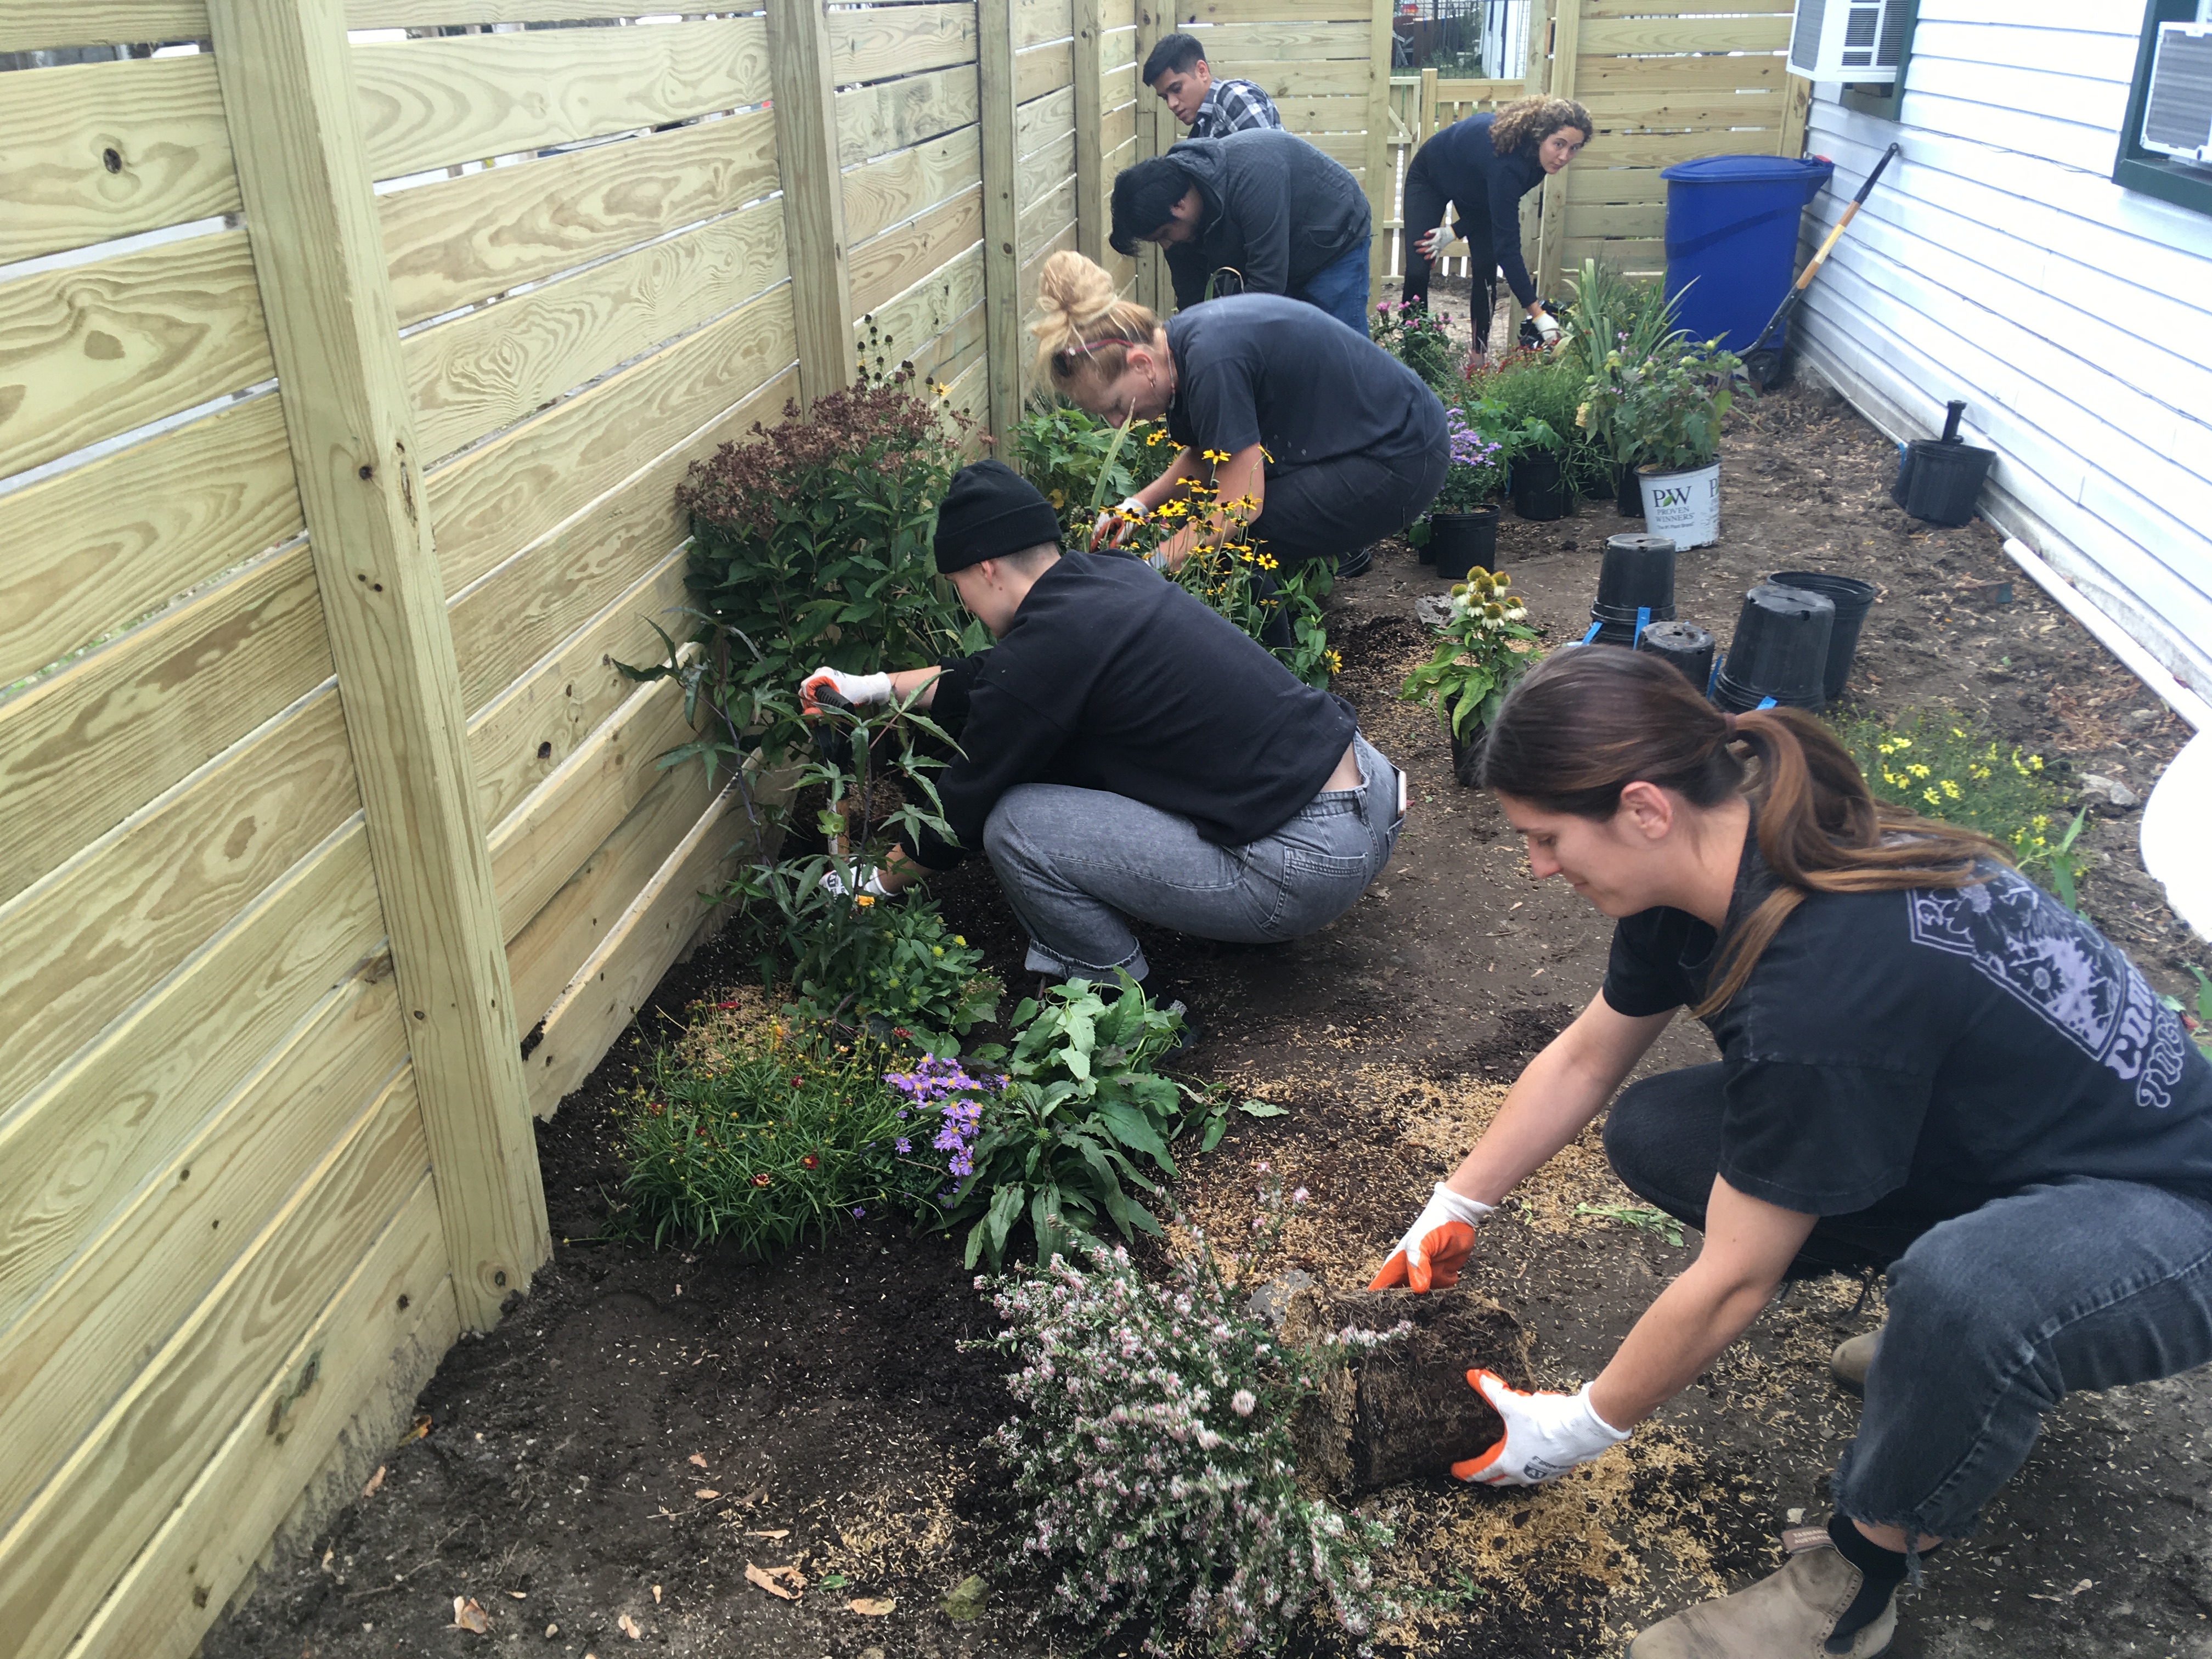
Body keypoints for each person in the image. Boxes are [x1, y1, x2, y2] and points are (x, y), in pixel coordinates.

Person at [1370, 646, 2212, 1658]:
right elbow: (1590, 1054)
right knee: (1665, 1133)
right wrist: (1457, 1202)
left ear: (1643, 808)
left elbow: (1734, 1280)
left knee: (1971, 1290)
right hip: (2026, 1146)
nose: (1538, 865)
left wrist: (1579, 1426)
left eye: (1546, 837)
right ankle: (1945, 1363)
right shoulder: (1723, 852)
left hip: (2174, 1211)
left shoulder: (1824, 981)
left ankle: (1852, 1584)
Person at [797, 459, 1404, 1011]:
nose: (965, 602)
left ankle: (1126, 1008)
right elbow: (988, 679)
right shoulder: (1109, 576)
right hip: (1374, 796)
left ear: (985, 568)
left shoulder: (1042, 656)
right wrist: (869, 686)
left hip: (1307, 866)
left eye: (959, 586)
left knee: (1013, 824)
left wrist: (869, 883)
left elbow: (958, 815)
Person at [1032, 249, 1443, 582]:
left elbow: (1240, 505)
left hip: (1402, 456)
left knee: (1234, 539)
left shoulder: (1212, 361)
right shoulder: (1181, 347)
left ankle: (1265, 680)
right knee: (1206, 533)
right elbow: (1215, 454)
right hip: (1378, 442)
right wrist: (1137, 508)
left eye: (1116, 407)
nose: (1118, 424)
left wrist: (1147, 569)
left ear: (1141, 364)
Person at [1109, 128, 1372, 332]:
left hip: (1333, 238)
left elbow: (1267, 284)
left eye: (1164, 235)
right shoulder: (1171, 212)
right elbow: (1193, 299)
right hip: (1281, 251)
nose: (1166, 246)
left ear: (1180, 205)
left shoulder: (1253, 176)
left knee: (1339, 349)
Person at [1400, 94, 1591, 363]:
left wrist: (1453, 231)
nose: (1563, 156)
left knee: (1486, 267)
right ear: (1540, 137)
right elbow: (1509, 248)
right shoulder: (1509, 165)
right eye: (1558, 144)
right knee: (1419, 266)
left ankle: (1478, 358)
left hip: (1476, 189)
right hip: (1432, 176)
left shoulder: (1538, 165)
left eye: (1574, 148)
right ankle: (1414, 354)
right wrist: (1538, 313)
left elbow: (1495, 210)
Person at [1143, 31, 1282, 139]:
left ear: (1202, 71)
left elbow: (1271, 163)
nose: (1171, 104)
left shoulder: (1231, 96)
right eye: (1165, 98)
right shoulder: (1199, 133)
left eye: (1177, 89)